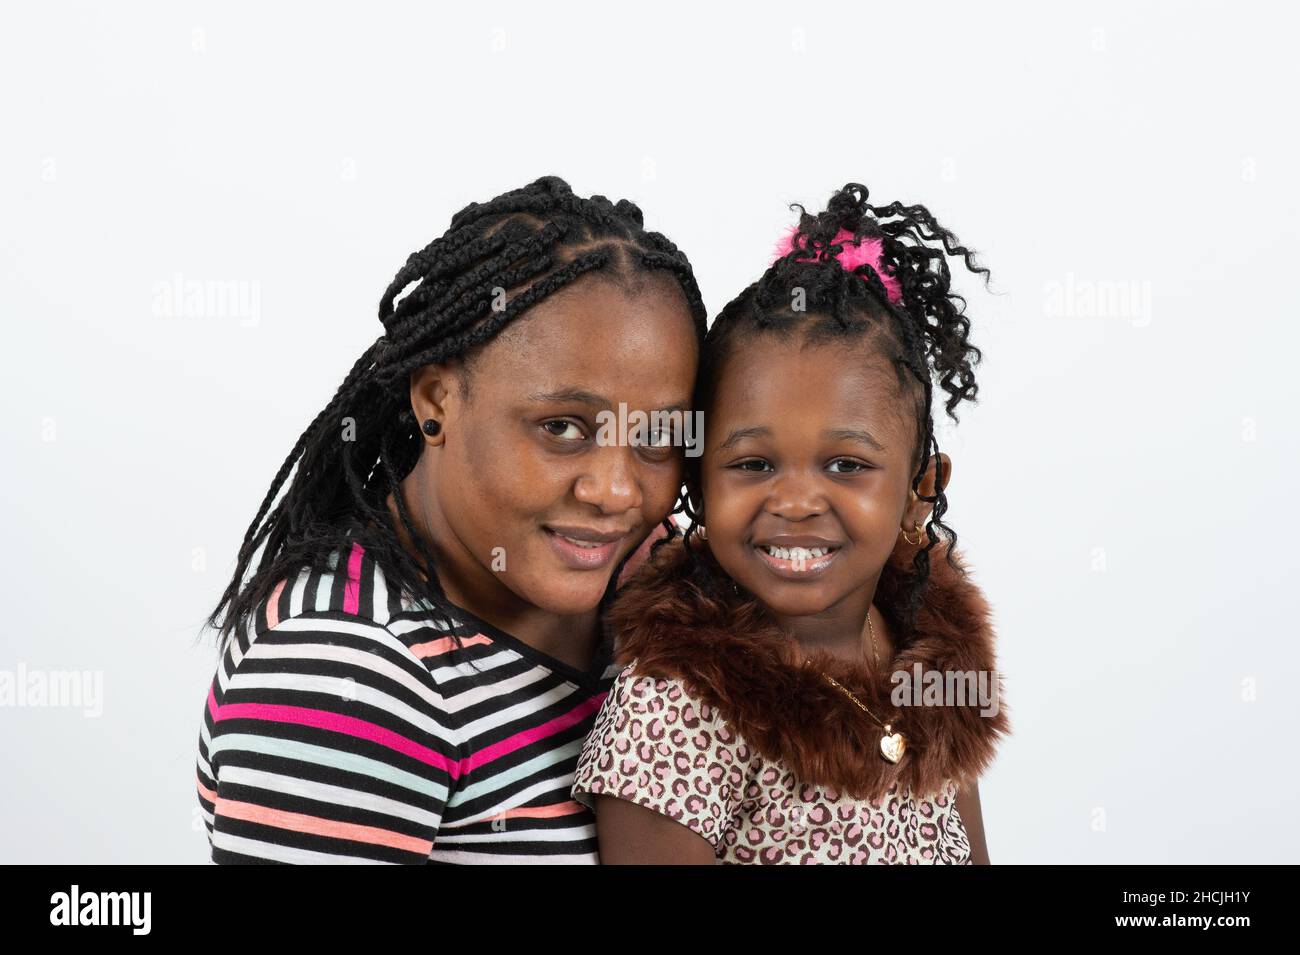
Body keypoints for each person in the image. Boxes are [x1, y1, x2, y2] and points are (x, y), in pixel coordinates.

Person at [194, 175, 705, 863]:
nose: (616, 490)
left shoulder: (653, 582)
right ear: (436, 398)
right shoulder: (351, 670)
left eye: (656, 437)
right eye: (562, 426)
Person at [571, 183, 1011, 863]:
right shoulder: (676, 708)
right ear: (698, 483)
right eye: (752, 463)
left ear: (920, 491)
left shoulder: (932, 665)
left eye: (845, 464)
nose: (798, 501)